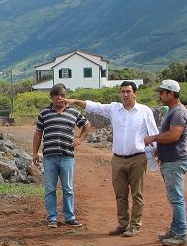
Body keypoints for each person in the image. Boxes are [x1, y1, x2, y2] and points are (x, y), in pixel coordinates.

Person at [66, 80, 159, 236]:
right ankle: (123, 224)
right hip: (117, 159)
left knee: (137, 194)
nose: (125, 94)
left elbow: (153, 132)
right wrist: (75, 101)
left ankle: (135, 226)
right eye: (122, 91)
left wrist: (156, 152)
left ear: (135, 93)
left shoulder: (144, 111)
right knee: (120, 194)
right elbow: (95, 106)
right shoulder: (114, 109)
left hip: (137, 158)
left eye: (128, 91)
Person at [33, 84, 91, 228]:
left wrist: (80, 138)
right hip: (49, 157)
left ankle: (70, 217)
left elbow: (87, 125)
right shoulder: (44, 113)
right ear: (52, 97)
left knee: (68, 188)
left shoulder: (74, 112)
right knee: (50, 189)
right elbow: (38, 133)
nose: (60, 98)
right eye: (57, 95)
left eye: (63, 95)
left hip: (67, 156)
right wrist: (34, 153)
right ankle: (52, 218)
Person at [144, 79, 187, 246]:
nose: (160, 95)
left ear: (171, 94)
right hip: (171, 159)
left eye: (162, 92)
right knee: (174, 197)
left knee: (176, 198)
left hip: (174, 160)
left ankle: (181, 234)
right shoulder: (174, 111)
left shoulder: (178, 113)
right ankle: (175, 229)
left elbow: (173, 136)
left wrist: (154, 138)